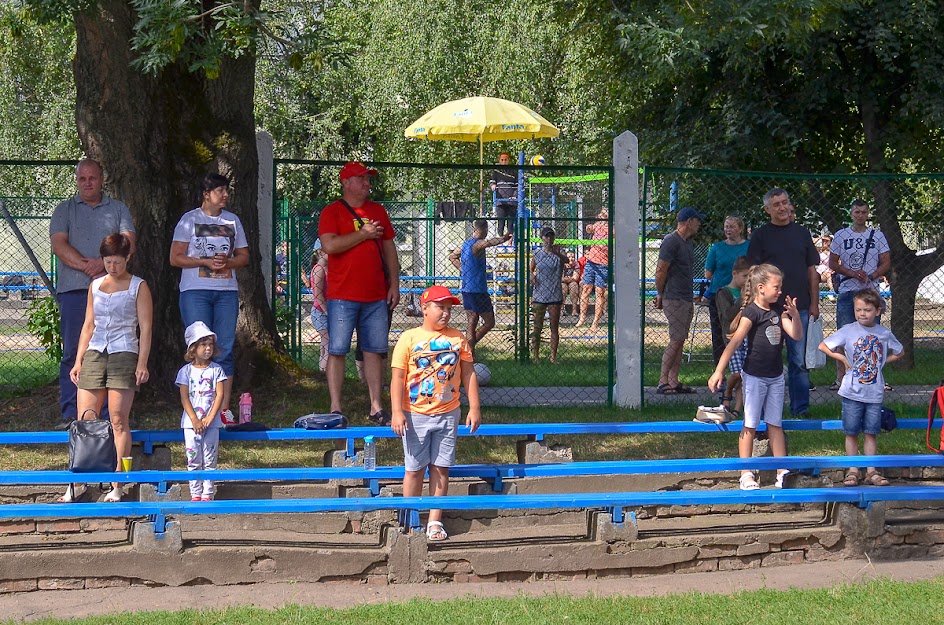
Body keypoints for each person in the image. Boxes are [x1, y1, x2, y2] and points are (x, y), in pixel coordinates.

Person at [61, 233, 152, 503]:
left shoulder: (139, 286)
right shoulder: (96, 285)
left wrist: (142, 363)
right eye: (108, 261)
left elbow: (145, 327)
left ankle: (119, 480)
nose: (112, 267)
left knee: (117, 420)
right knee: (85, 420)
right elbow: (89, 325)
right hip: (95, 352)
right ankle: (78, 480)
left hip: (125, 352)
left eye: (117, 262)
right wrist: (79, 360)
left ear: (127, 259)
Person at [49, 158, 136, 429]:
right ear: (77, 181)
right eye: (82, 179)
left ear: (102, 180)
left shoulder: (119, 209)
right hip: (75, 290)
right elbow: (58, 244)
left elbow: (128, 241)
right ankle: (72, 413)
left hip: (114, 292)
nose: (87, 183)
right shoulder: (64, 210)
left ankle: (111, 414)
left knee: (113, 350)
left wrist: (104, 265)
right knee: (76, 350)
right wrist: (89, 265)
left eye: (92, 178)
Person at [390, 285, 481, 542]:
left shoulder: (457, 338)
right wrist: (397, 412)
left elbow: (468, 373)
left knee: (441, 468)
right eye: (440, 307)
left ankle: (434, 521)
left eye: (449, 309)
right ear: (424, 308)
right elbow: (397, 379)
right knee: (415, 468)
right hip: (414, 414)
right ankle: (410, 518)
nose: (446, 313)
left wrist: (474, 407)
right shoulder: (408, 338)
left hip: (448, 412)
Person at [318, 161, 400, 425]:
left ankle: (376, 406)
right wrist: (363, 234)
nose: (367, 184)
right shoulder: (332, 212)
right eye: (362, 179)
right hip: (342, 295)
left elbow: (389, 249)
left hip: (375, 294)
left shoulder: (378, 210)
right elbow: (330, 245)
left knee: (375, 350)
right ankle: (335, 407)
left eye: (368, 179)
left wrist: (394, 284)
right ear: (347, 183)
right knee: (338, 349)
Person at [709, 263, 803, 490]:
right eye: (776, 287)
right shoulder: (751, 312)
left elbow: (796, 335)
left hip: (776, 376)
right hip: (754, 377)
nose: (780, 291)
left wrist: (796, 316)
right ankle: (746, 472)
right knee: (750, 425)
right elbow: (733, 343)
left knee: (775, 424)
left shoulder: (778, 311)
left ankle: (782, 471)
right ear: (761, 288)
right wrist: (719, 371)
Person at [170, 173, 250, 424]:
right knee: (199, 346)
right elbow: (175, 257)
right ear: (206, 194)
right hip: (195, 291)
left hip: (226, 291)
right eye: (220, 191)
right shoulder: (189, 220)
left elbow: (243, 257)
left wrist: (228, 262)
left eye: (226, 190)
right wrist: (203, 261)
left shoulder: (233, 221)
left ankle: (223, 409)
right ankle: (195, 407)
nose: (225, 195)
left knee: (223, 347)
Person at [746, 188, 819, 417]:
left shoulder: (802, 233)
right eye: (776, 204)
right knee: (767, 360)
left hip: (800, 309)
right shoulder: (761, 236)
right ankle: (765, 409)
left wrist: (814, 302)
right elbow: (752, 272)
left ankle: (800, 409)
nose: (782, 207)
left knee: (799, 362)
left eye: (785, 202)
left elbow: (812, 271)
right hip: (768, 311)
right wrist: (750, 303)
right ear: (767, 209)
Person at [818, 289, 902, 487]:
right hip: (852, 391)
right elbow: (824, 346)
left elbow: (899, 351)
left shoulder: (883, 333)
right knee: (852, 431)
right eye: (858, 310)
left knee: (871, 431)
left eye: (867, 310)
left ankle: (871, 470)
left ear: (878, 311)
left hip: (874, 392)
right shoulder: (848, 330)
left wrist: (881, 363)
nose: (862, 313)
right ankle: (853, 469)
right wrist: (842, 359)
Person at [827, 200, 891, 390]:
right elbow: (832, 263)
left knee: (873, 334)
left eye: (863, 212)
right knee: (844, 334)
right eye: (857, 212)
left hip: (869, 289)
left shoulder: (877, 236)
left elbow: (886, 262)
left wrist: (871, 275)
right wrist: (851, 273)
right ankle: (841, 376)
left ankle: (874, 374)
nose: (860, 215)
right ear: (851, 214)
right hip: (848, 289)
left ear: (868, 214)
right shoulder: (840, 235)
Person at [654, 207, 704, 395]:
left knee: (680, 340)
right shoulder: (671, 241)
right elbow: (661, 270)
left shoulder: (687, 243)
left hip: (685, 296)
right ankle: (662, 381)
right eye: (697, 220)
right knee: (675, 340)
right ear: (689, 221)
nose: (699, 223)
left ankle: (673, 381)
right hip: (674, 297)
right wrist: (660, 293)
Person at [176, 321, 226, 502]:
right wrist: (195, 420)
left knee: (210, 457)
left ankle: (208, 492)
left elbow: (219, 395)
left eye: (210, 344)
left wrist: (210, 418)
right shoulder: (185, 372)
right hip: (191, 423)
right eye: (203, 344)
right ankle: (195, 492)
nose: (208, 348)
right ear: (192, 348)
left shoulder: (216, 370)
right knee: (193, 457)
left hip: (211, 423)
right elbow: (184, 397)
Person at [448, 219, 512, 354]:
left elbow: (452, 256)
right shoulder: (476, 245)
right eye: (486, 230)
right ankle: (467, 348)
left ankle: (468, 351)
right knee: (489, 322)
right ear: (483, 230)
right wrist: (503, 239)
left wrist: (462, 269)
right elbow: (489, 243)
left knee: (472, 321)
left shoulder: (465, 244)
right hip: (478, 290)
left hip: (467, 288)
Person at [704, 215, 749, 366]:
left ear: (741, 229)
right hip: (721, 294)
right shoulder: (717, 248)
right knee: (719, 333)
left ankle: (744, 368)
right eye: (726, 226)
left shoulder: (748, 246)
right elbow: (708, 273)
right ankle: (720, 371)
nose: (728, 230)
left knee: (746, 332)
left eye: (732, 226)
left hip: (744, 293)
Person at [714, 256, 752, 418]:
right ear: (734, 274)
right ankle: (727, 393)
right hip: (732, 337)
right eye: (745, 276)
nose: (747, 281)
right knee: (737, 373)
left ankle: (737, 408)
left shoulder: (751, 292)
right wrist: (742, 301)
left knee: (746, 374)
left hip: (748, 337)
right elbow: (728, 315)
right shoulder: (724, 293)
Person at [530, 227, 568, 364]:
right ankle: (535, 356)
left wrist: (557, 254)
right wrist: (531, 275)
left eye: (551, 236)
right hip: (539, 294)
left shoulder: (559, 252)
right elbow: (531, 268)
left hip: (555, 294)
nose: (549, 239)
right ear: (542, 238)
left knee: (554, 327)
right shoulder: (537, 254)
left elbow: (567, 261)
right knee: (537, 326)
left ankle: (553, 357)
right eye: (546, 236)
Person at [576, 208, 609, 332]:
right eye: (600, 214)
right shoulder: (597, 225)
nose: (601, 216)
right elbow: (589, 228)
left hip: (603, 264)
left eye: (604, 215)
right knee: (586, 289)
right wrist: (589, 227)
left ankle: (595, 322)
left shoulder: (612, 229)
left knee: (599, 292)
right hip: (591, 261)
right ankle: (582, 317)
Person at [309, 239, 329, 372]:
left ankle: (322, 370)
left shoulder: (327, 268)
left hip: (325, 310)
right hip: (320, 312)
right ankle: (325, 371)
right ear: (320, 251)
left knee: (325, 342)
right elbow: (319, 295)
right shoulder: (319, 270)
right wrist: (327, 311)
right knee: (329, 344)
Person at [489, 153, 518, 236]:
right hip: (500, 201)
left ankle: (510, 244)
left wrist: (515, 196)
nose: (504, 161)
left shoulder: (514, 172)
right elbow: (492, 181)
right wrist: (493, 185)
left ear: (508, 160)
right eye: (502, 160)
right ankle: (500, 242)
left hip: (511, 202)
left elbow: (517, 186)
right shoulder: (496, 172)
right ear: (499, 161)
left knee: (510, 225)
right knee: (500, 223)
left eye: (505, 159)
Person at [561, 250, 581, 317]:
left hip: (572, 282)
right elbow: (560, 278)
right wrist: (570, 278)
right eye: (569, 257)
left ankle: (574, 310)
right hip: (563, 283)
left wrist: (566, 279)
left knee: (574, 285)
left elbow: (575, 278)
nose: (571, 258)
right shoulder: (562, 264)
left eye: (573, 257)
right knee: (563, 287)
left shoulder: (576, 264)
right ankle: (562, 309)